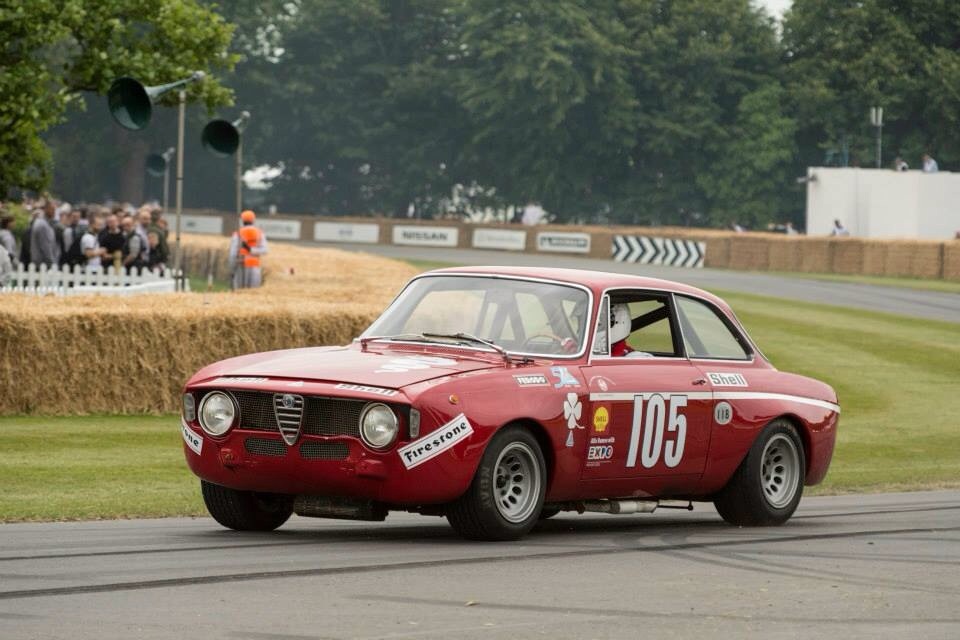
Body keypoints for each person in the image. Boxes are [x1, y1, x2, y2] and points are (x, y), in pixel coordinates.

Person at [228, 209, 268, 289]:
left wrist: (232, 270)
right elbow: (265, 250)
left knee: (239, 291)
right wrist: (251, 250)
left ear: (242, 221)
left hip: (240, 266)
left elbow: (233, 254)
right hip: (255, 267)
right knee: (253, 292)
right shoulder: (259, 233)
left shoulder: (238, 234)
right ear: (253, 220)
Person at [30, 202, 59, 267]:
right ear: (46, 209)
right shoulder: (42, 225)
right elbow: (45, 247)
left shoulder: (46, 224)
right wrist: (52, 263)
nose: (54, 212)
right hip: (42, 264)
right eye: (52, 209)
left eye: (54, 209)